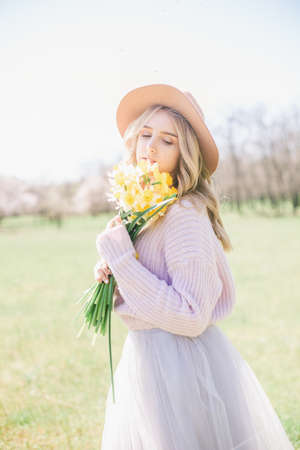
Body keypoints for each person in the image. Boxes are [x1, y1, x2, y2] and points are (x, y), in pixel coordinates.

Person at [94, 84, 294, 449]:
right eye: (146, 134)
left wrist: (123, 260)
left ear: (184, 153)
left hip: (179, 368)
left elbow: (190, 315)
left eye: (167, 140)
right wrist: (115, 275)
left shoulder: (183, 214)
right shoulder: (145, 207)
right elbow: (151, 289)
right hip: (144, 359)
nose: (150, 147)